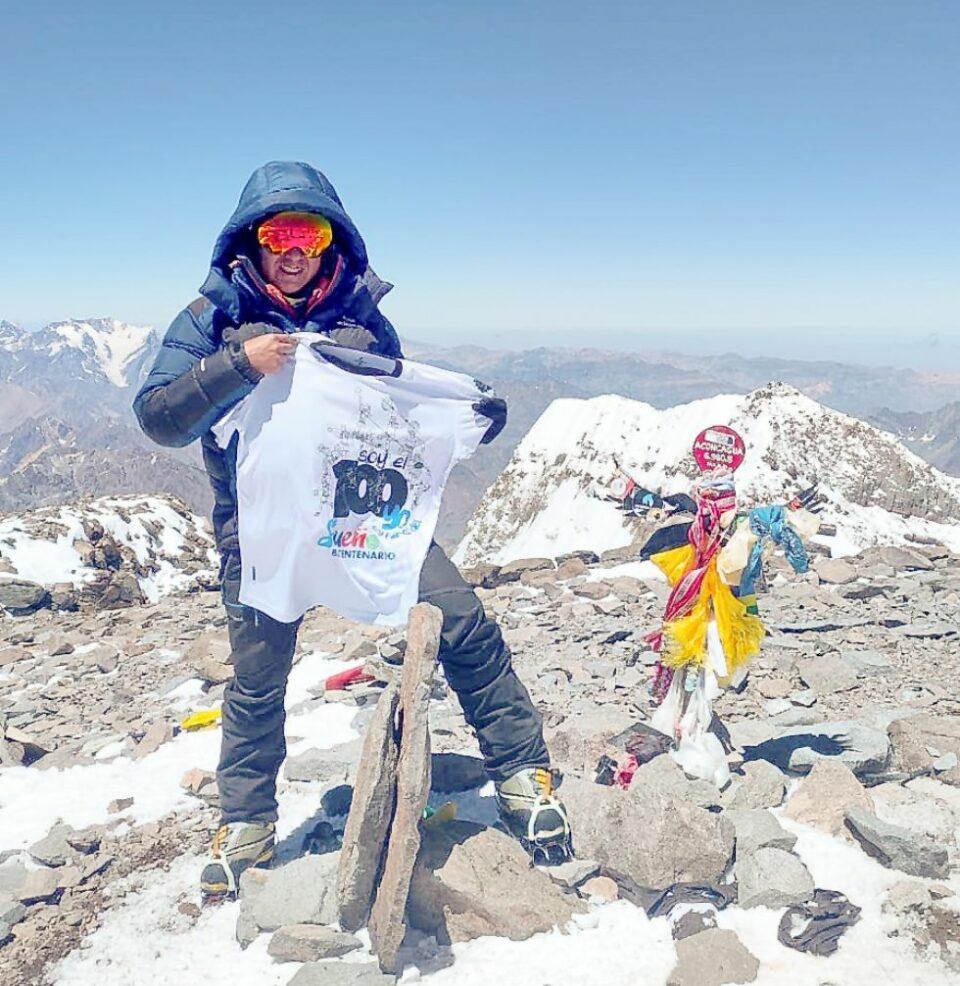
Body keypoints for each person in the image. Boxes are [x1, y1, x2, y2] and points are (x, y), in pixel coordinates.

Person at [134, 161, 571, 900]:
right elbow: (159, 417)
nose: (296, 249)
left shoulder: (359, 316)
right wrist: (237, 365)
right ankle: (245, 824)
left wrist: (468, 416)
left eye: (312, 232)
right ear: (253, 241)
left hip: (363, 510)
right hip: (264, 527)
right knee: (259, 675)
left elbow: (398, 407)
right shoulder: (212, 318)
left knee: (461, 621)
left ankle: (525, 773)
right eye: (280, 233)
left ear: (333, 240)